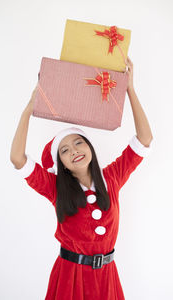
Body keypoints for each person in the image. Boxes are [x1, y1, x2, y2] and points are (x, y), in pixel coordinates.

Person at [10, 57, 154, 300]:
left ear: (90, 147)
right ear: (62, 164)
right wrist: (28, 108)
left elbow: (144, 140)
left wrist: (129, 88)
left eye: (78, 142)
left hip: (107, 277)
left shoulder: (112, 177)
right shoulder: (54, 188)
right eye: (65, 150)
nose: (74, 150)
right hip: (70, 277)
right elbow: (17, 159)